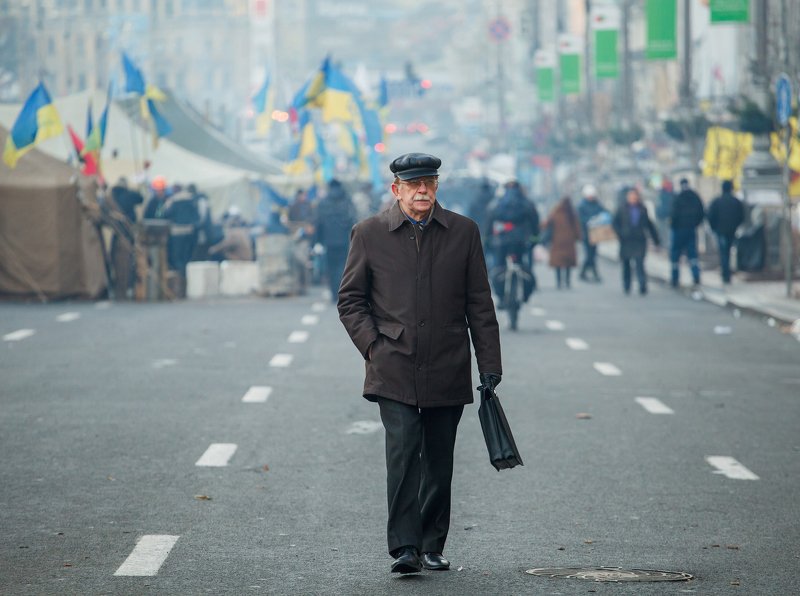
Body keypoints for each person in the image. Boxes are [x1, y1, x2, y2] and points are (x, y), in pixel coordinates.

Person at [338, 153, 502, 575]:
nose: (422, 191)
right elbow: (351, 300)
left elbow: (479, 304)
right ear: (397, 190)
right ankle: (405, 547)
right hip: (392, 365)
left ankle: (432, 545)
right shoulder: (370, 233)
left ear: (437, 186)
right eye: (414, 185)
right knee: (404, 452)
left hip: (447, 363)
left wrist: (489, 365)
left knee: (439, 460)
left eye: (428, 183)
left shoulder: (464, 232)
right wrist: (373, 346)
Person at [485, 179, 540, 305]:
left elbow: (489, 222)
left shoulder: (497, 203)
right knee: (522, 266)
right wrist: (534, 239)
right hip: (521, 242)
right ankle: (525, 296)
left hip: (502, 242)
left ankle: (500, 297)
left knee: (498, 268)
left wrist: (487, 239)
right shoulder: (526, 203)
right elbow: (534, 223)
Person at [314, 179, 357, 302]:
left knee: (331, 268)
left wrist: (318, 241)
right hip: (344, 240)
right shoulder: (347, 201)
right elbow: (353, 220)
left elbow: (318, 223)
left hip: (329, 241)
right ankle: (344, 293)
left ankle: (334, 294)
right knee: (344, 267)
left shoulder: (323, 202)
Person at [612, 187, 660, 295]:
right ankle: (627, 285)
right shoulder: (622, 209)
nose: (633, 198)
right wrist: (621, 234)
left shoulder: (642, 209)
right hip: (626, 241)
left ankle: (642, 285)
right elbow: (615, 223)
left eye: (635, 195)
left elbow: (649, 224)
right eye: (631, 196)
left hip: (639, 240)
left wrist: (656, 239)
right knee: (626, 265)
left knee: (640, 264)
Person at [108, 177, 143, 299]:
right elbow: (140, 198)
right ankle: (126, 288)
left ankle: (120, 289)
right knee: (127, 262)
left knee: (116, 261)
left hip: (117, 234)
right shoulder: (130, 195)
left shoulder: (112, 196)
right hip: (127, 234)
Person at [670, 178, 705, 288]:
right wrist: (695, 224)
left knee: (675, 256)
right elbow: (701, 212)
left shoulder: (678, 197)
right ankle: (696, 277)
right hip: (691, 229)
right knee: (692, 255)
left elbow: (673, 214)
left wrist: (673, 225)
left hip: (678, 230)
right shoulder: (694, 197)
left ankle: (675, 279)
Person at [708, 180, 745, 285]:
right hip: (732, 231)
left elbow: (710, 216)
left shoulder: (717, 201)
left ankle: (725, 275)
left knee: (723, 253)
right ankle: (727, 274)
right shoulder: (736, 202)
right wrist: (735, 226)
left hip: (720, 231)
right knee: (728, 252)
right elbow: (741, 217)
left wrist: (714, 228)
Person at [543, 196, 582, 289]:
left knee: (558, 263)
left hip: (557, 242)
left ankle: (559, 282)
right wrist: (578, 238)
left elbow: (546, 224)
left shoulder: (555, 214)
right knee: (568, 263)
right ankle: (567, 281)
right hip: (569, 242)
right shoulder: (572, 215)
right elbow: (577, 229)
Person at [577, 184, 606, 282]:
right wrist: (589, 221)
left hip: (596, 233)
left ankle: (584, 273)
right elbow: (580, 219)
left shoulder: (597, 204)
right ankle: (593, 273)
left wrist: (601, 219)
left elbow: (604, 213)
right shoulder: (581, 206)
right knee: (589, 255)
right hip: (586, 234)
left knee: (593, 254)